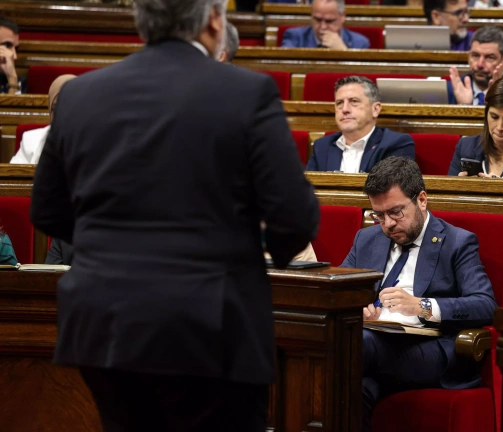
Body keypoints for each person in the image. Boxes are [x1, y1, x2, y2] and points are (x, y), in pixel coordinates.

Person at [29, 1, 320, 431]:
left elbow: (47, 209)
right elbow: (293, 219)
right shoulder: (246, 92)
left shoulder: (80, 94)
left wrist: (111, 247)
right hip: (211, 324)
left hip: (105, 321)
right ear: (214, 20)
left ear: (141, 20)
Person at [341, 156, 497, 432]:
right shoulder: (367, 239)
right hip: (375, 342)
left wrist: (421, 306)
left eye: (396, 212)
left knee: (354, 342)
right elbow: (342, 291)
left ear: (421, 200)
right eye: (379, 215)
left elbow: (485, 305)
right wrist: (357, 307)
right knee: (356, 390)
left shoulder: (457, 242)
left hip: (430, 348)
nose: (388, 224)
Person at [306, 76, 415, 173]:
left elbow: (392, 188)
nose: (345, 109)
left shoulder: (396, 144)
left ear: (375, 109)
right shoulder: (322, 146)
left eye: (354, 101)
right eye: (339, 103)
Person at [10, 74, 77, 165]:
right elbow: (15, 172)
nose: (64, 116)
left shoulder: (94, 143)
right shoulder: (31, 140)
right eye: (57, 109)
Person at [447, 26, 503, 105]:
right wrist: (464, 107)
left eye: (489, 57)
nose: (480, 64)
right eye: (475, 55)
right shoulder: (450, 91)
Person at [281, 0, 370, 50]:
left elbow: (360, 76)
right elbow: (285, 66)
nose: (322, 27)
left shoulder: (359, 43)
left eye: (329, 21)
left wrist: (343, 51)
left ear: (342, 17)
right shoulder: (295, 37)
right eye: (318, 20)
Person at [0, 16, 24, 94]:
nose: (14, 56)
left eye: (16, 48)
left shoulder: (19, 82)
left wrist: (12, 79)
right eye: (7, 45)